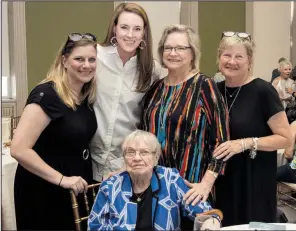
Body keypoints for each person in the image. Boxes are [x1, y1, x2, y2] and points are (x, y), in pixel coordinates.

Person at [139, 25, 229, 230]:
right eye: (167, 48)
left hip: (192, 189)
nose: (173, 53)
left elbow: (221, 141)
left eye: (180, 48)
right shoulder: (155, 89)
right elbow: (143, 134)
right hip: (156, 188)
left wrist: (206, 184)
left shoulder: (205, 86)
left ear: (192, 53)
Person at [11, 33, 98, 230]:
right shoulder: (47, 94)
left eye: (92, 59)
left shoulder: (85, 96)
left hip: (73, 188)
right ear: (64, 61)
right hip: (44, 189)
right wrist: (62, 180)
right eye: (79, 59)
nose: (87, 65)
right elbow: (19, 149)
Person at [212, 31, 292, 226]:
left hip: (254, 183)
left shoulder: (263, 91)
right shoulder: (215, 91)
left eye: (239, 56)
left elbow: (285, 138)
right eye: (227, 55)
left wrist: (245, 143)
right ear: (219, 59)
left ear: (249, 61)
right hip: (223, 182)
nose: (232, 61)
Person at [88, 130, 222, 231]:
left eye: (144, 152)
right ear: (124, 158)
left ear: (156, 157)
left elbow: (204, 211)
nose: (136, 158)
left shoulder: (171, 180)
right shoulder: (110, 186)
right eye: (130, 152)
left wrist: (212, 220)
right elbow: (94, 225)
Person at [90, 3, 165, 182]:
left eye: (137, 29)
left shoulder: (151, 68)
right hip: (89, 159)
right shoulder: (96, 57)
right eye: (124, 27)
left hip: (126, 163)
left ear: (144, 33)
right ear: (114, 28)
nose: (130, 35)